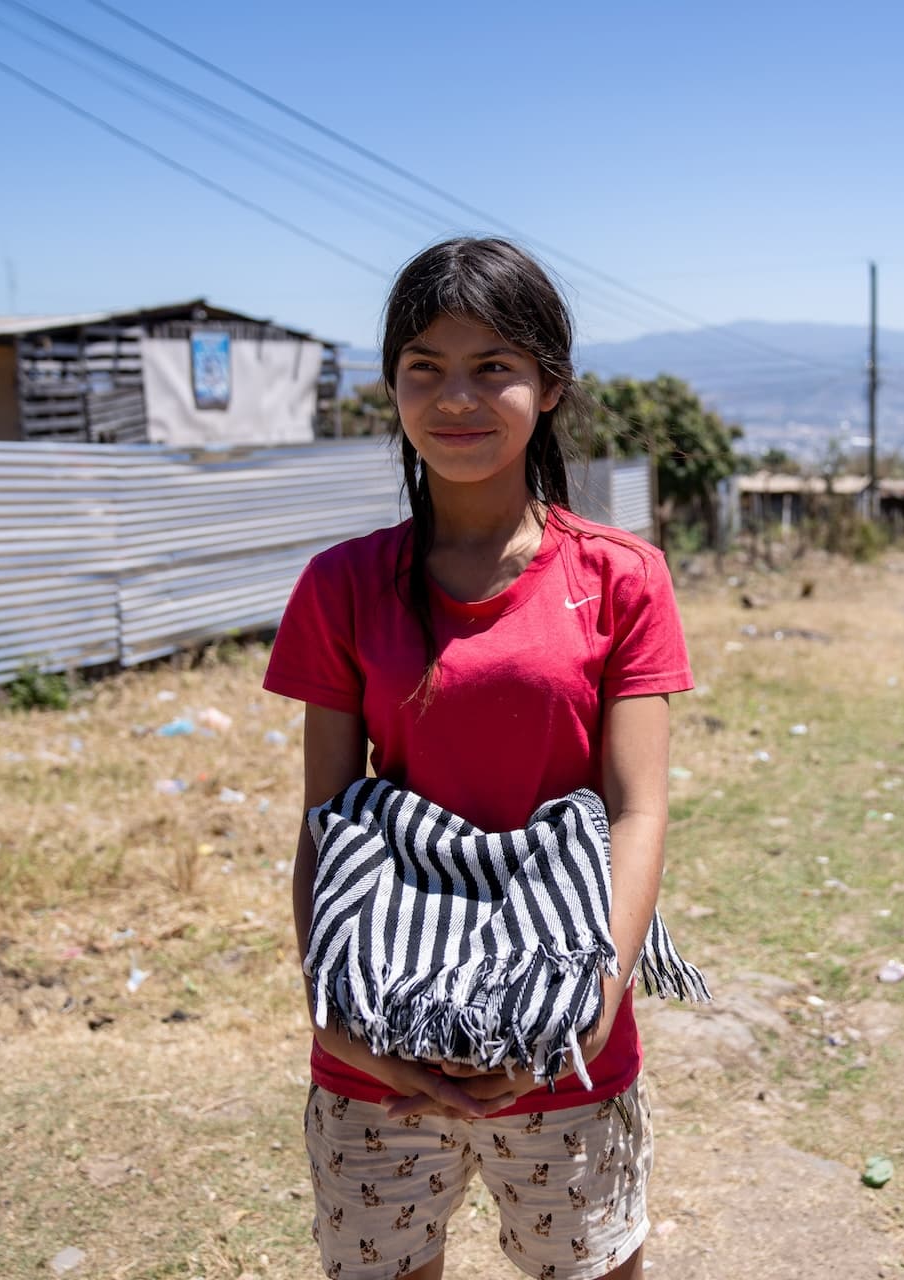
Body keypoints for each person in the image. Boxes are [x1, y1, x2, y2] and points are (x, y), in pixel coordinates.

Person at [263, 237, 692, 1280]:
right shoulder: (342, 584)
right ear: (394, 389)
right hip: (382, 1038)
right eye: (425, 366)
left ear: (549, 387)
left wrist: (588, 1002)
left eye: (493, 364)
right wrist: (342, 1019)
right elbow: (327, 816)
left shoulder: (621, 575)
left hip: (562, 1028)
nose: (457, 396)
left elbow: (635, 808)